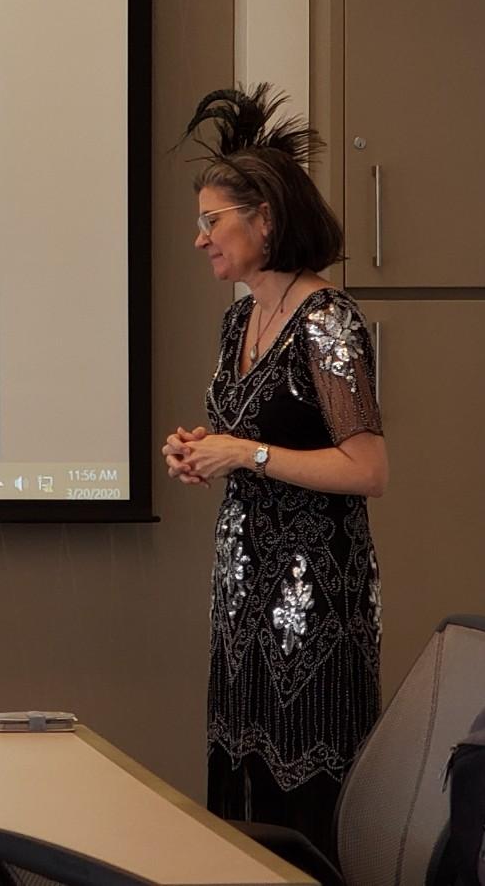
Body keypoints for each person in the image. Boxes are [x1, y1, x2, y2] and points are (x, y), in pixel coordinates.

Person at [163, 85, 388, 864]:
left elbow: (367, 467)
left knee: (304, 795)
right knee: (240, 784)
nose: (200, 241)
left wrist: (246, 453)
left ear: (264, 218)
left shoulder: (329, 321)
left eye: (211, 222)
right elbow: (254, 433)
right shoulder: (239, 319)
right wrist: (203, 448)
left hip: (311, 606)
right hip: (241, 595)